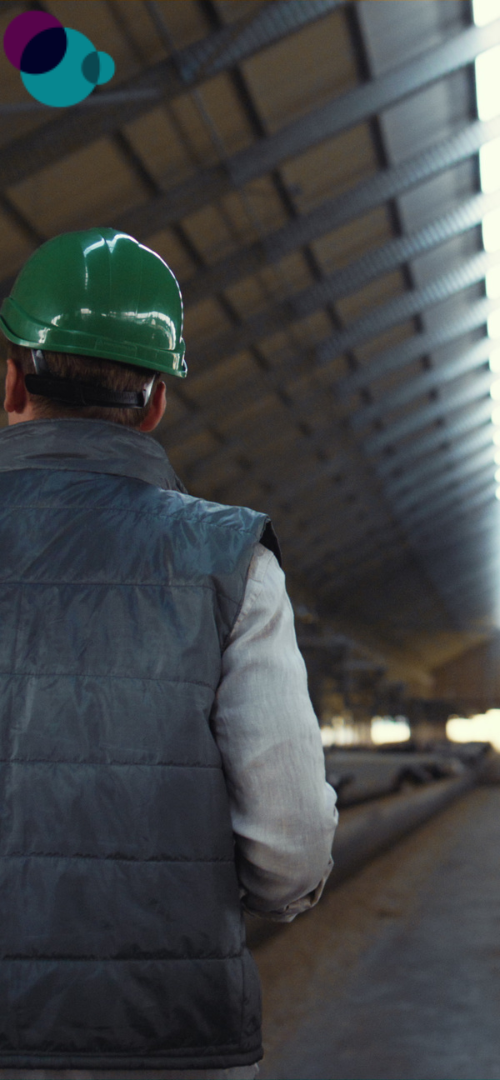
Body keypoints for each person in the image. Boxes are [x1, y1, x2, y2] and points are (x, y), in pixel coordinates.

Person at [0, 228, 338, 1078]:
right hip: (168, 1038)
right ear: (155, 403)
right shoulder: (230, 559)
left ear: (10, 382)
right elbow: (291, 844)